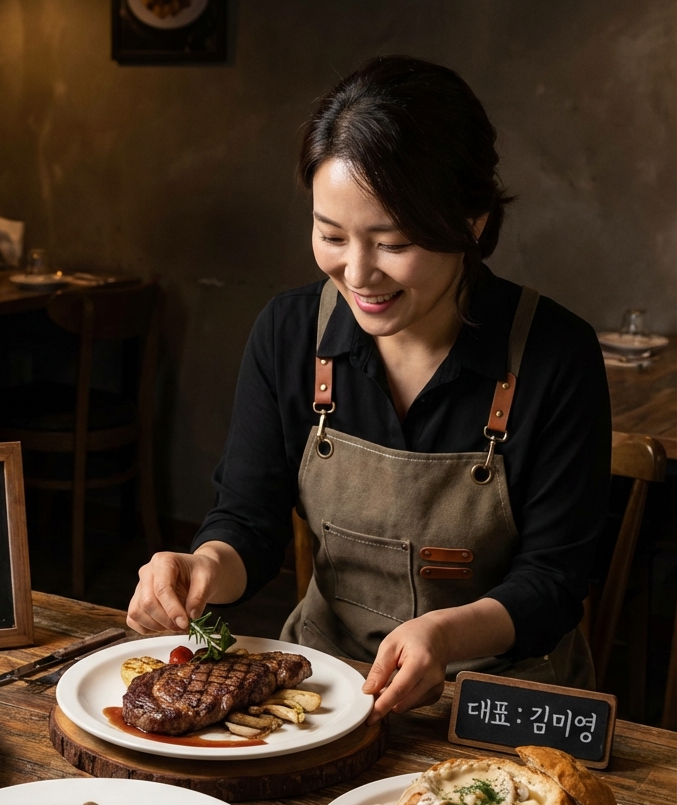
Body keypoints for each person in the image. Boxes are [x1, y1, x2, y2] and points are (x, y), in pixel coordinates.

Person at [126, 55, 611, 723]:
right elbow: (250, 520)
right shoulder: (291, 334)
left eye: (391, 242)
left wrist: (443, 636)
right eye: (331, 235)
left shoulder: (556, 355)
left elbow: (555, 579)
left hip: (503, 699)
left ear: (471, 221)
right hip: (326, 691)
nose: (357, 273)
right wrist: (206, 563)